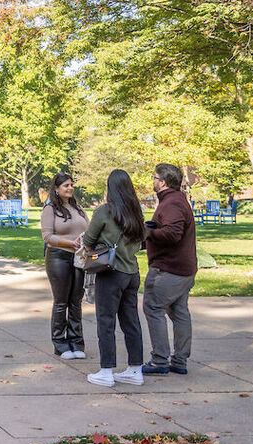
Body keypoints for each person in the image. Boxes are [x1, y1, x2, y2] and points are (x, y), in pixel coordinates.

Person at [81, 169, 146, 387]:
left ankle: (106, 371)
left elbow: (88, 241)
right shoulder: (137, 212)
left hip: (111, 273)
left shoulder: (104, 212)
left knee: (106, 322)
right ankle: (135, 369)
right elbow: (141, 242)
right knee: (131, 322)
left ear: (110, 188)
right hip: (132, 272)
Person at [142, 163, 198, 376]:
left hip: (169, 269)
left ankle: (159, 360)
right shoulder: (177, 199)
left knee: (153, 308)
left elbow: (173, 234)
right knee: (179, 311)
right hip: (185, 268)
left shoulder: (172, 203)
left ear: (162, 182)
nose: (153, 181)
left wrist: (148, 232)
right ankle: (180, 360)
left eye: (154, 178)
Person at [41, 172, 89, 360]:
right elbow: (47, 237)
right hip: (58, 257)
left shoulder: (78, 208)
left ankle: (77, 342)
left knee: (76, 302)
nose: (70, 188)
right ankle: (60, 343)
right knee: (61, 302)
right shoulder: (50, 209)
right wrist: (70, 243)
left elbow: (89, 229)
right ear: (56, 189)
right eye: (65, 186)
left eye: (71, 185)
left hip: (79, 258)